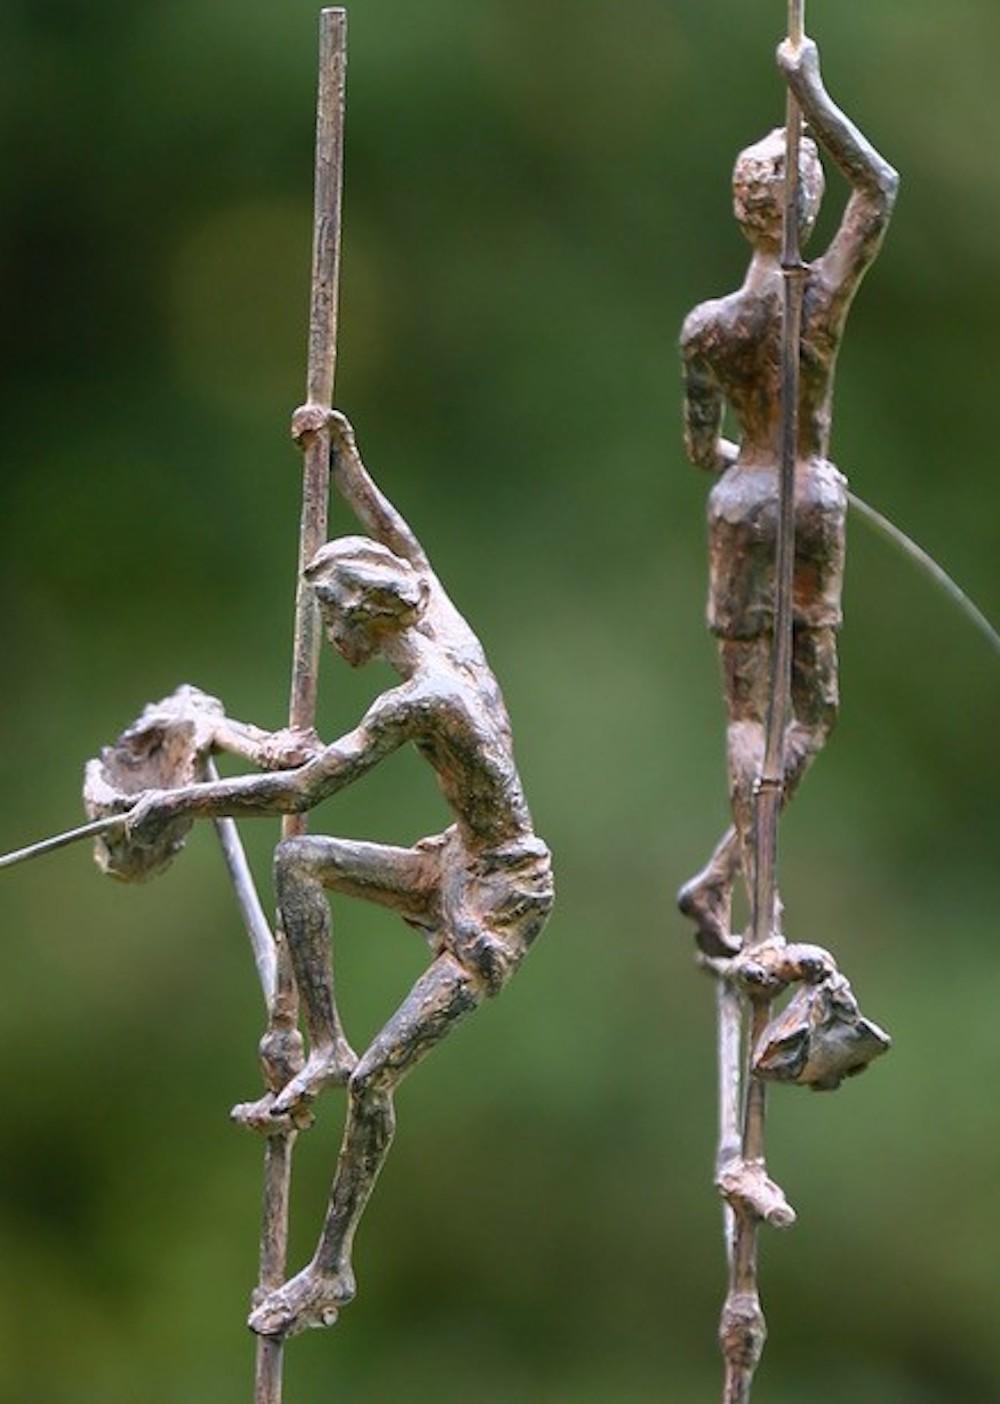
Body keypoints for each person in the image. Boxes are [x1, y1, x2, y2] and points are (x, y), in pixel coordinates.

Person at [125, 410, 554, 1337]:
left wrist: (176, 804)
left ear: (363, 613)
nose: (326, 635)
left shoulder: (422, 697)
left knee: (377, 1084)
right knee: (301, 859)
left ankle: (330, 1269)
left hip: (502, 898)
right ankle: (323, 1040)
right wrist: (347, 456)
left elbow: (308, 779)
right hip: (453, 863)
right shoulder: (432, 613)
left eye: (329, 617)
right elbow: (405, 543)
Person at [677, 38, 898, 957]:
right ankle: (735, 888)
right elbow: (879, 188)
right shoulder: (821, 297)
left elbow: (701, 451)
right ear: (806, 207)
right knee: (811, 714)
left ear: (743, 209)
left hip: (743, 500)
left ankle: (743, 892)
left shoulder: (709, 330)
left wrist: (743, 457)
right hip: (812, 499)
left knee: (744, 715)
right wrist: (811, 88)